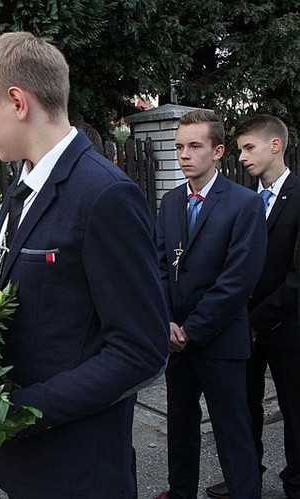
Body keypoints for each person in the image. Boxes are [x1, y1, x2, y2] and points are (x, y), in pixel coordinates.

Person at [0, 31, 169, 498]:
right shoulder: (21, 187)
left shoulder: (104, 195)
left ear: (17, 102)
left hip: (76, 469)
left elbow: (140, 350)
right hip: (21, 466)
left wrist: (19, 413)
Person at [156, 109, 266, 499]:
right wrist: (167, 322)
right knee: (180, 429)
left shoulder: (243, 204)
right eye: (179, 147)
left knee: (232, 431)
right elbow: (159, 267)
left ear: (218, 151)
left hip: (219, 341)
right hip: (176, 343)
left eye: (195, 146)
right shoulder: (170, 202)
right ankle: (180, 492)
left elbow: (239, 279)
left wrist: (194, 329)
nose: (184, 155)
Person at [205, 115, 300, 499]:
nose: (241, 157)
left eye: (249, 148)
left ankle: (296, 481)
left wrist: (258, 320)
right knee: (244, 407)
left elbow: (297, 277)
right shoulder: (244, 201)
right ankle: (246, 475)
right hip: (242, 328)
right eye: (240, 149)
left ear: (275, 145)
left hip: (287, 328)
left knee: (294, 411)